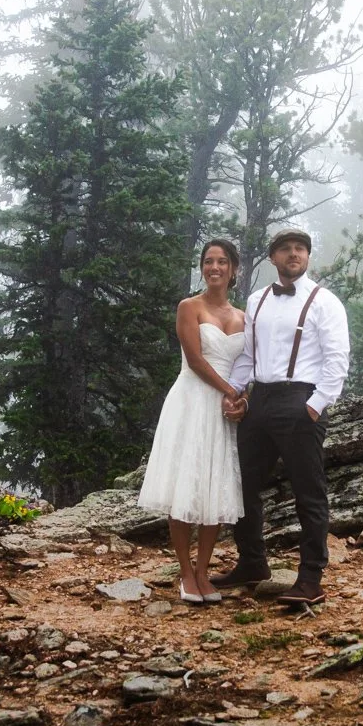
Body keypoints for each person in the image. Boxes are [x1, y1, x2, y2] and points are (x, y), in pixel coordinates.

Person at [215, 229, 351, 606]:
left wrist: (316, 403)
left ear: (307, 256)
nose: (294, 254)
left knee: (308, 492)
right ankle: (253, 563)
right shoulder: (257, 300)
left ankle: (310, 579)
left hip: (300, 400)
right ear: (273, 257)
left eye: (300, 249)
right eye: (285, 249)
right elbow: (247, 355)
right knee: (240, 483)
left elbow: (337, 358)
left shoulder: (325, 302)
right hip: (260, 400)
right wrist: (234, 391)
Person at [137, 239, 247, 603]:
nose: (213, 267)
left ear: (233, 269)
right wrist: (230, 390)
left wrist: (241, 399)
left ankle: (203, 571)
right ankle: (185, 573)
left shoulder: (243, 318)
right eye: (207, 261)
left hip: (223, 408)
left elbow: (247, 368)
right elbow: (196, 360)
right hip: (191, 400)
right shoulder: (189, 307)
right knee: (186, 483)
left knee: (215, 485)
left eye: (221, 261)